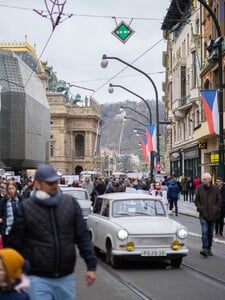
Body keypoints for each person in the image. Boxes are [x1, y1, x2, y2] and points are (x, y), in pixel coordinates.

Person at [8, 164, 97, 300]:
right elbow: (15, 243)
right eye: (49, 182)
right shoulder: (26, 208)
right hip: (37, 277)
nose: (54, 185)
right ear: (37, 184)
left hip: (65, 276)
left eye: (55, 181)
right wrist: (16, 272)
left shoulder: (70, 203)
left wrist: (91, 265)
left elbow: (83, 236)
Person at [195, 172, 222, 257]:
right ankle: (205, 249)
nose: (203, 181)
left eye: (205, 179)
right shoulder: (200, 188)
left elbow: (219, 200)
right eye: (203, 179)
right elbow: (196, 200)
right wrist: (200, 208)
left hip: (213, 214)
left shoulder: (215, 189)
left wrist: (216, 208)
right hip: (203, 214)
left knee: (210, 233)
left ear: (209, 180)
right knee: (204, 231)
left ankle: (209, 248)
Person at [0, 182, 22, 247]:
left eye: (13, 188)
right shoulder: (3, 201)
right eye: (9, 189)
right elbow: (1, 214)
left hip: (19, 232)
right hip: (7, 231)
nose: (11, 190)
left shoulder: (20, 200)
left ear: (16, 189)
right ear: (7, 189)